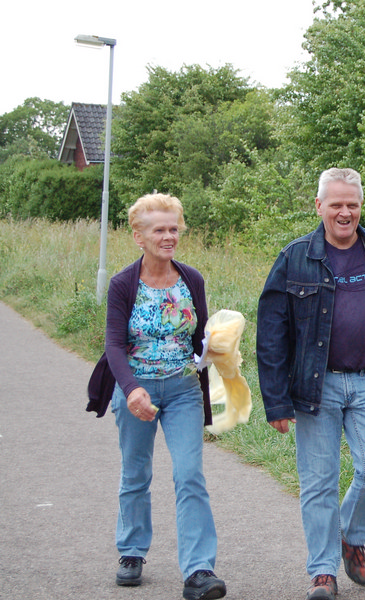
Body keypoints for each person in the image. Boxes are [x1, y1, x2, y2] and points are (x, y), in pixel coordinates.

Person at [256, 167, 365, 600]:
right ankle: (323, 572)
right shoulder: (295, 257)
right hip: (315, 387)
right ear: (319, 206)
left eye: (352, 204)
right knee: (319, 482)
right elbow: (271, 333)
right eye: (336, 205)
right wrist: (276, 401)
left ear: (360, 206)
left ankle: (351, 536)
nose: (345, 213)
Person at [96, 193, 226, 600]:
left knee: (189, 474)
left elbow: (201, 335)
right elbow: (113, 345)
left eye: (174, 229)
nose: (169, 237)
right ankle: (132, 551)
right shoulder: (123, 284)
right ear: (139, 236)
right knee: (136, 473)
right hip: (136, 389)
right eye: (159, 230)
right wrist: (131, 389)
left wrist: (217, 349)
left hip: (183, 389)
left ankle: (199, 569)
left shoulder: (191, 279)